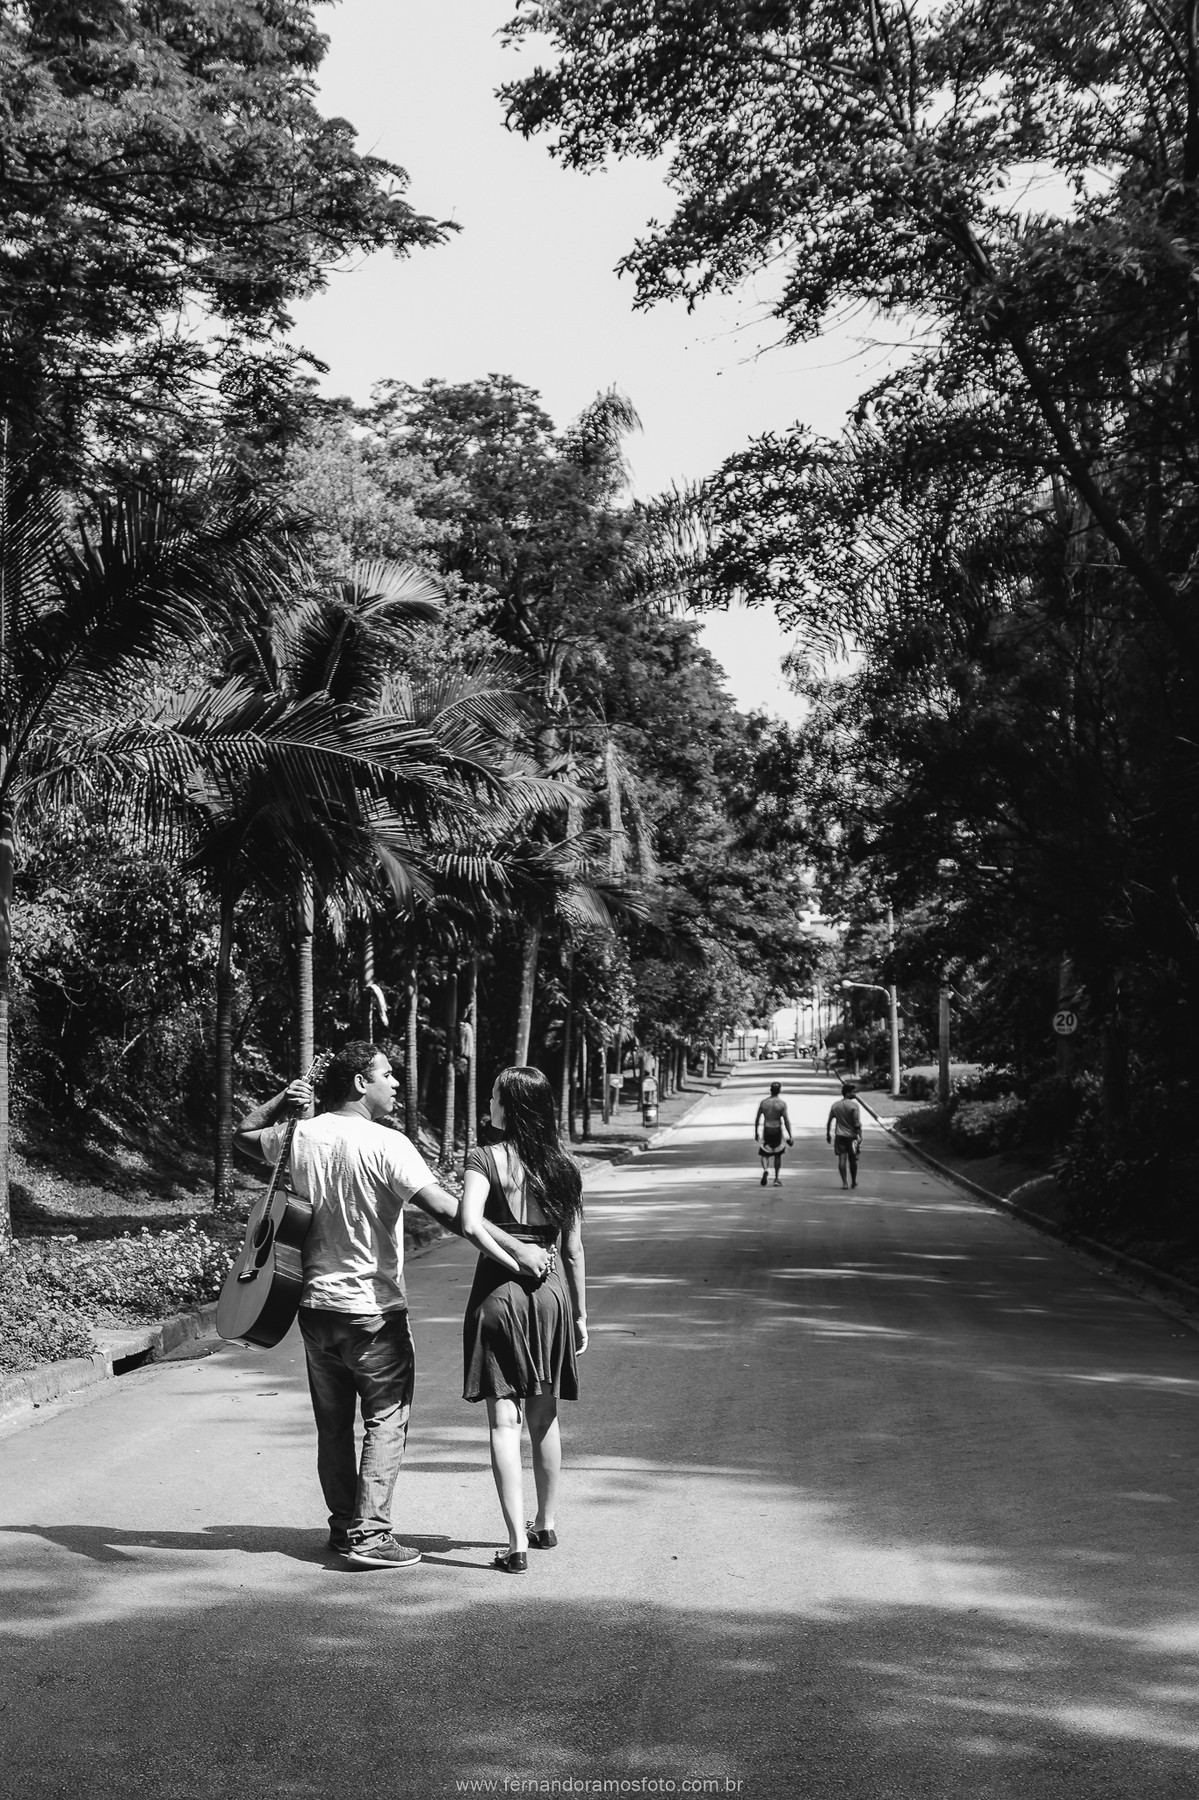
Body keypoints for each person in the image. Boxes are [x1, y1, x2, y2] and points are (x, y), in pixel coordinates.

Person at [235, 1043, 551, 1571]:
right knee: (386, 1417)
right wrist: (517, 1247)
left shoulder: (300, 1135)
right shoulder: (389, 1144)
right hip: (374, 1308)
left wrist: (280, 1100)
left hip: (314, 1305)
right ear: (360, 1083)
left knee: (333, 1424)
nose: (396, 1084)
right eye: (387, 1074)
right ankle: (371, 1534)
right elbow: (449, 1211)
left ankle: (344, 1529)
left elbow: (242, 1136)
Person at [461, 1066, 587, 1574]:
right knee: (544, 1414)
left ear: (508, 1106)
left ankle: (515, 1545)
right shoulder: (565, 1167)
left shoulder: (482, 1158)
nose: (486, 1102)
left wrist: (510, 1256)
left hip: (498, 1292)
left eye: (492, 1095)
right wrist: (580, 1315)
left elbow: (469, 1222)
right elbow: (574, 1251)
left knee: (503, 1420)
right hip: (552, 1296)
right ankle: (547, 1522)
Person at [754, 1081, 794, 1187]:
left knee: (764, 1153)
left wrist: (756, 1132)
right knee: (778, 1154)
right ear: (779, 1091)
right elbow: (786, 1120)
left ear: (770, 1090)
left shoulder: (764, 1103)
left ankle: (766, 1169)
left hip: (767, 1129)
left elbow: (757, 1118)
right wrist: (790, 1135)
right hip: (777, 1130)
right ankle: (776, 1178)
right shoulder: (782, 1104)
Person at [826, 1081, 864, 1189]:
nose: (854, 1094)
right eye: (852, 1092)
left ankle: (844, 1182)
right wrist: (860, 1135)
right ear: (847, 1093)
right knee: (853, 1160)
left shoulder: (835, 1106)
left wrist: (828, 1134)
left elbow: (829, 1121)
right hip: (852, 1137)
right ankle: (854, 1181)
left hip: (840, 1136)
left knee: (842, 1159)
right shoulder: (854, 1106)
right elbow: (856, 1123)